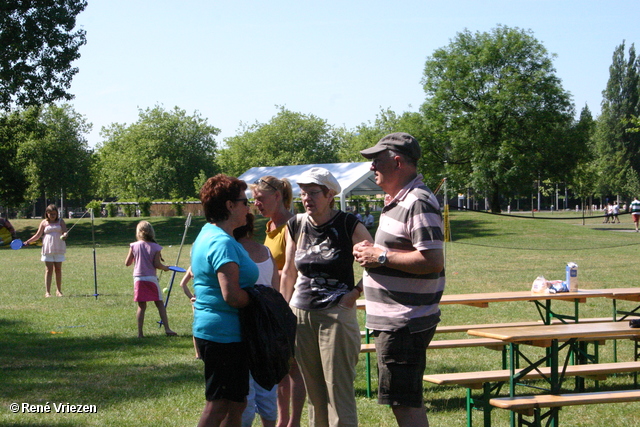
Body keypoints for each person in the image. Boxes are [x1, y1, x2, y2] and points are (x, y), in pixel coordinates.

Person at [353, 132, 445, 427]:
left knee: (405, 405)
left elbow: (432, 261)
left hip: (404, 323)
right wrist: (373, 253)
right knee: (403, 402)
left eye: (376, 161)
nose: (371, 167)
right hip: (398, 322)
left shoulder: (417, 201)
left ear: (397, 162)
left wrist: (380, 257)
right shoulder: (398, 200)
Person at [280, 167, 372, 427]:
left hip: (336, 314)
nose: (306, 198)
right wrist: (283, 311)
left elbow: (375, 265)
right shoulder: (295, 224)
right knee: (315, 393)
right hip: (301, 314)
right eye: (303, 193)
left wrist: (353, 294)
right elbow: (288, 272)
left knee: (338, 391)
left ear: (330, 194)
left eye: (313, 193)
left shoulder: (347, 224)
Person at [191, 174, 257, 427]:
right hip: (223, 334)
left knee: (236, 402)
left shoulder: (209, 233)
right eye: (244, 202)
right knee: (219, 403)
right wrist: (258, 298)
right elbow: (231, 295)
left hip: (223, 332)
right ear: (230, 206)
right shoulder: (221, 242)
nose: (248, 207)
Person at [251, 176, 305, 427]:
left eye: (260, 199)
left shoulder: (294, 225)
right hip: (271, 306)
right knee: (280, 367)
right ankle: (282, 421)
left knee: (293, 368)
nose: (256, 204)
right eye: (254, 200)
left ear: (277, 197)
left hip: (289, 306)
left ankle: (292, 422)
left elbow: (293, 271)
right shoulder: (270, 226)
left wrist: (283, 307)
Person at [235, 213, 280, 427]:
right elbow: (276, 290)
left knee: (245, 390)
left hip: (242, 327)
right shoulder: (267, 252)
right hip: (268, 328)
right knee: (268, 388)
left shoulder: (232, 252)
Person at [124, 220, 177, 338]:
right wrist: (166, 268)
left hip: (138, 278)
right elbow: (157, 264)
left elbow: (127, 263)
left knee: (141, 306)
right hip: (151, 278)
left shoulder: (133, 245)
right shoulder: (156, 247)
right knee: (159, 304)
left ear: (138, 232)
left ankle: (140, 333)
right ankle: (167, 329)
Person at [24, 204, 68, 297]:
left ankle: (58, 291)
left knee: (58, 269)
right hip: (48, 248)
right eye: (50, 213)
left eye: (54, 214)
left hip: (59, 247)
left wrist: (65, 235)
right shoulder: (44, 222)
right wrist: (28, 242)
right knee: (49, 270)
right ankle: (47, 292)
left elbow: (65, 231)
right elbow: (37, 235)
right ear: (47, 213)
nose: (52, 215)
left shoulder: (61, 221)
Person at [179, 267, 201, 359]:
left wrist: (191, 297)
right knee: (197, 327)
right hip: (202, 298)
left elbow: (183, 284)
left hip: (197, 298)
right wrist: (191, 297)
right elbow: (182, 284)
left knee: (197, 326)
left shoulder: (192, 266)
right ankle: (198, 354)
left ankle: (198, 354)